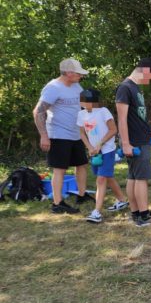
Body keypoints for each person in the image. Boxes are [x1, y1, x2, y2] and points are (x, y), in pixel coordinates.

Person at [32, 58, 95, 214]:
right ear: (68, 73)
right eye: (78, 73)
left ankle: (81, 195)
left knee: (81, 164)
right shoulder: (53, 88)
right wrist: (44, 136)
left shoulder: (76, 85)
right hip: (58, 134)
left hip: (76, 133)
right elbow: (38, 112)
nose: (81, 76)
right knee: (60, 169)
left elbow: (81, 105)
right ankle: (57, 203)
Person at [115, 58, 151, 227]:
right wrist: (125, 144)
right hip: (134, 142)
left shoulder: (135, 88)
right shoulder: (125, 88)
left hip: (141, 137)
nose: (150, 80)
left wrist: (148, 132)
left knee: (134, 177)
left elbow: (136, 117)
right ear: (145, 70)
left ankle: (137, 213)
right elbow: (122, 119)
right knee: (142, 178)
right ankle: (144, 215)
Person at [76, 88, 129, 223]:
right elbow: (82, 133)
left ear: (92, 101)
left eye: (83, 100)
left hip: (107, 151)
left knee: (101, 179)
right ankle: (122, 200)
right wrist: (89, 147)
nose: (81, 102)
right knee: (107, 177)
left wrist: (100, 144)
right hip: (94, 152)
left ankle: (97, 212)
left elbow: (113, 129)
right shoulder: (81, 115)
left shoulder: (103, 111)